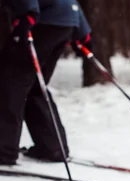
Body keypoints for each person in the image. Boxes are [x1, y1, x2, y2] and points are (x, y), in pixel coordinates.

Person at [0, 0, 92, 165]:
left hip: (42, 20)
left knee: (11, 83)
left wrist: (27, 12)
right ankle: (52, 148)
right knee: (34, 86)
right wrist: (82, 30)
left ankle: (4, 150)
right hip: (65, 21)